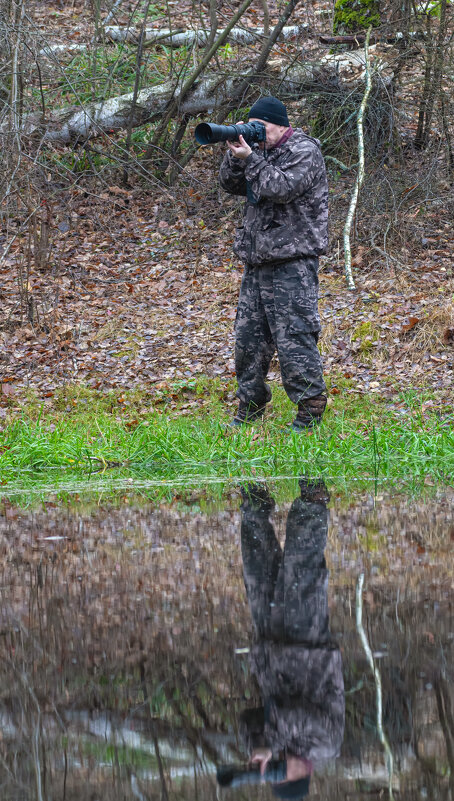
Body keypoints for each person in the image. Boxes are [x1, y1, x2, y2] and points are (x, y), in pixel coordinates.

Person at [219, 96, 329, 430]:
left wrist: (252, 157)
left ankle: (310, 410)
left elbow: (281, 188)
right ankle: (249, 408)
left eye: (261, 127)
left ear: (280, 124)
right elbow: (230, 184)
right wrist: (236, 155)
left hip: (293, 262)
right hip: (258, 260)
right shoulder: (258, 150)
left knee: (294, 337)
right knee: (248, 340)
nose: (257, 133)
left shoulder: (304, 151)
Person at [236, 478, 345, 799]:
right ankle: (312, 494)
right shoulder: (324, 746)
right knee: (302, 566)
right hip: (306, 645)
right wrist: (272, 741)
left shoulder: (279, 745)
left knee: (256, 565)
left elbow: (249, 719)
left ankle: (253, 495)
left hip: (269, 645)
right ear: (302, 776)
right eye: (285, 774)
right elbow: (295, 715)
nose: (281, 766)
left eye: (275, 774)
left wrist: (257, 746)